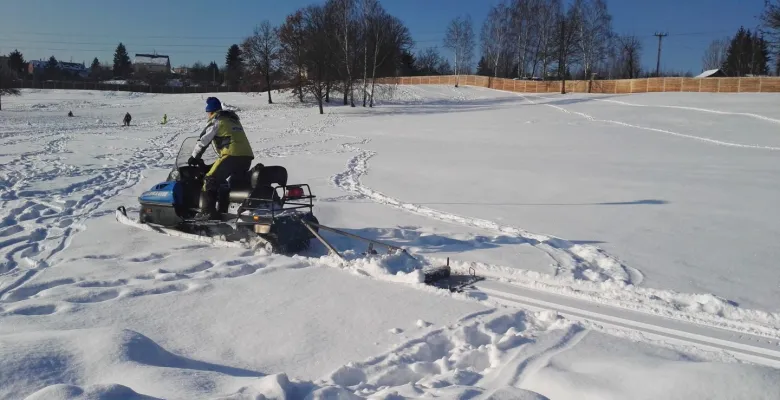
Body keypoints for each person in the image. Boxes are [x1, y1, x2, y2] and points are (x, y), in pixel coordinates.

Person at [188, 97, 254, 220]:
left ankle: (208, 212)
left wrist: (194, 157)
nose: (208, 115)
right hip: (246, 157)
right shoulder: (233, 120)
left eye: (208, 113)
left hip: (231, 155)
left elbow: (203, 140)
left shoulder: (217, 121)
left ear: (211, 112)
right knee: (230, 184)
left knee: (209, 180)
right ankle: (225, 211)